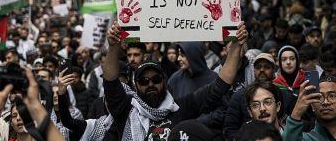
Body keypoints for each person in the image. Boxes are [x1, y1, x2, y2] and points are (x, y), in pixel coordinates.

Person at [103, 20, 248, 140]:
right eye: (144, 80)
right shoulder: (125, 109)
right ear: (135, 84)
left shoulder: (179, 108)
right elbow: (110, 81)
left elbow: (219, 87)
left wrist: (236, 46)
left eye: (156, 79)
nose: (151, 84)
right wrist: (113, 46)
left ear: (164, 81)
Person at [224, 53, 295, 139]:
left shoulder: (285, 94)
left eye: (266, 67)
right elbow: (230, 129)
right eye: (258, 67)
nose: (262, 70)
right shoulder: (239, 96)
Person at [283, 76, 336, 140]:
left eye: (332, 96)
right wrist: (296, 113)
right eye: (319, 97)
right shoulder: (304, 139)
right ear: (312, 106)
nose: (325, 102)